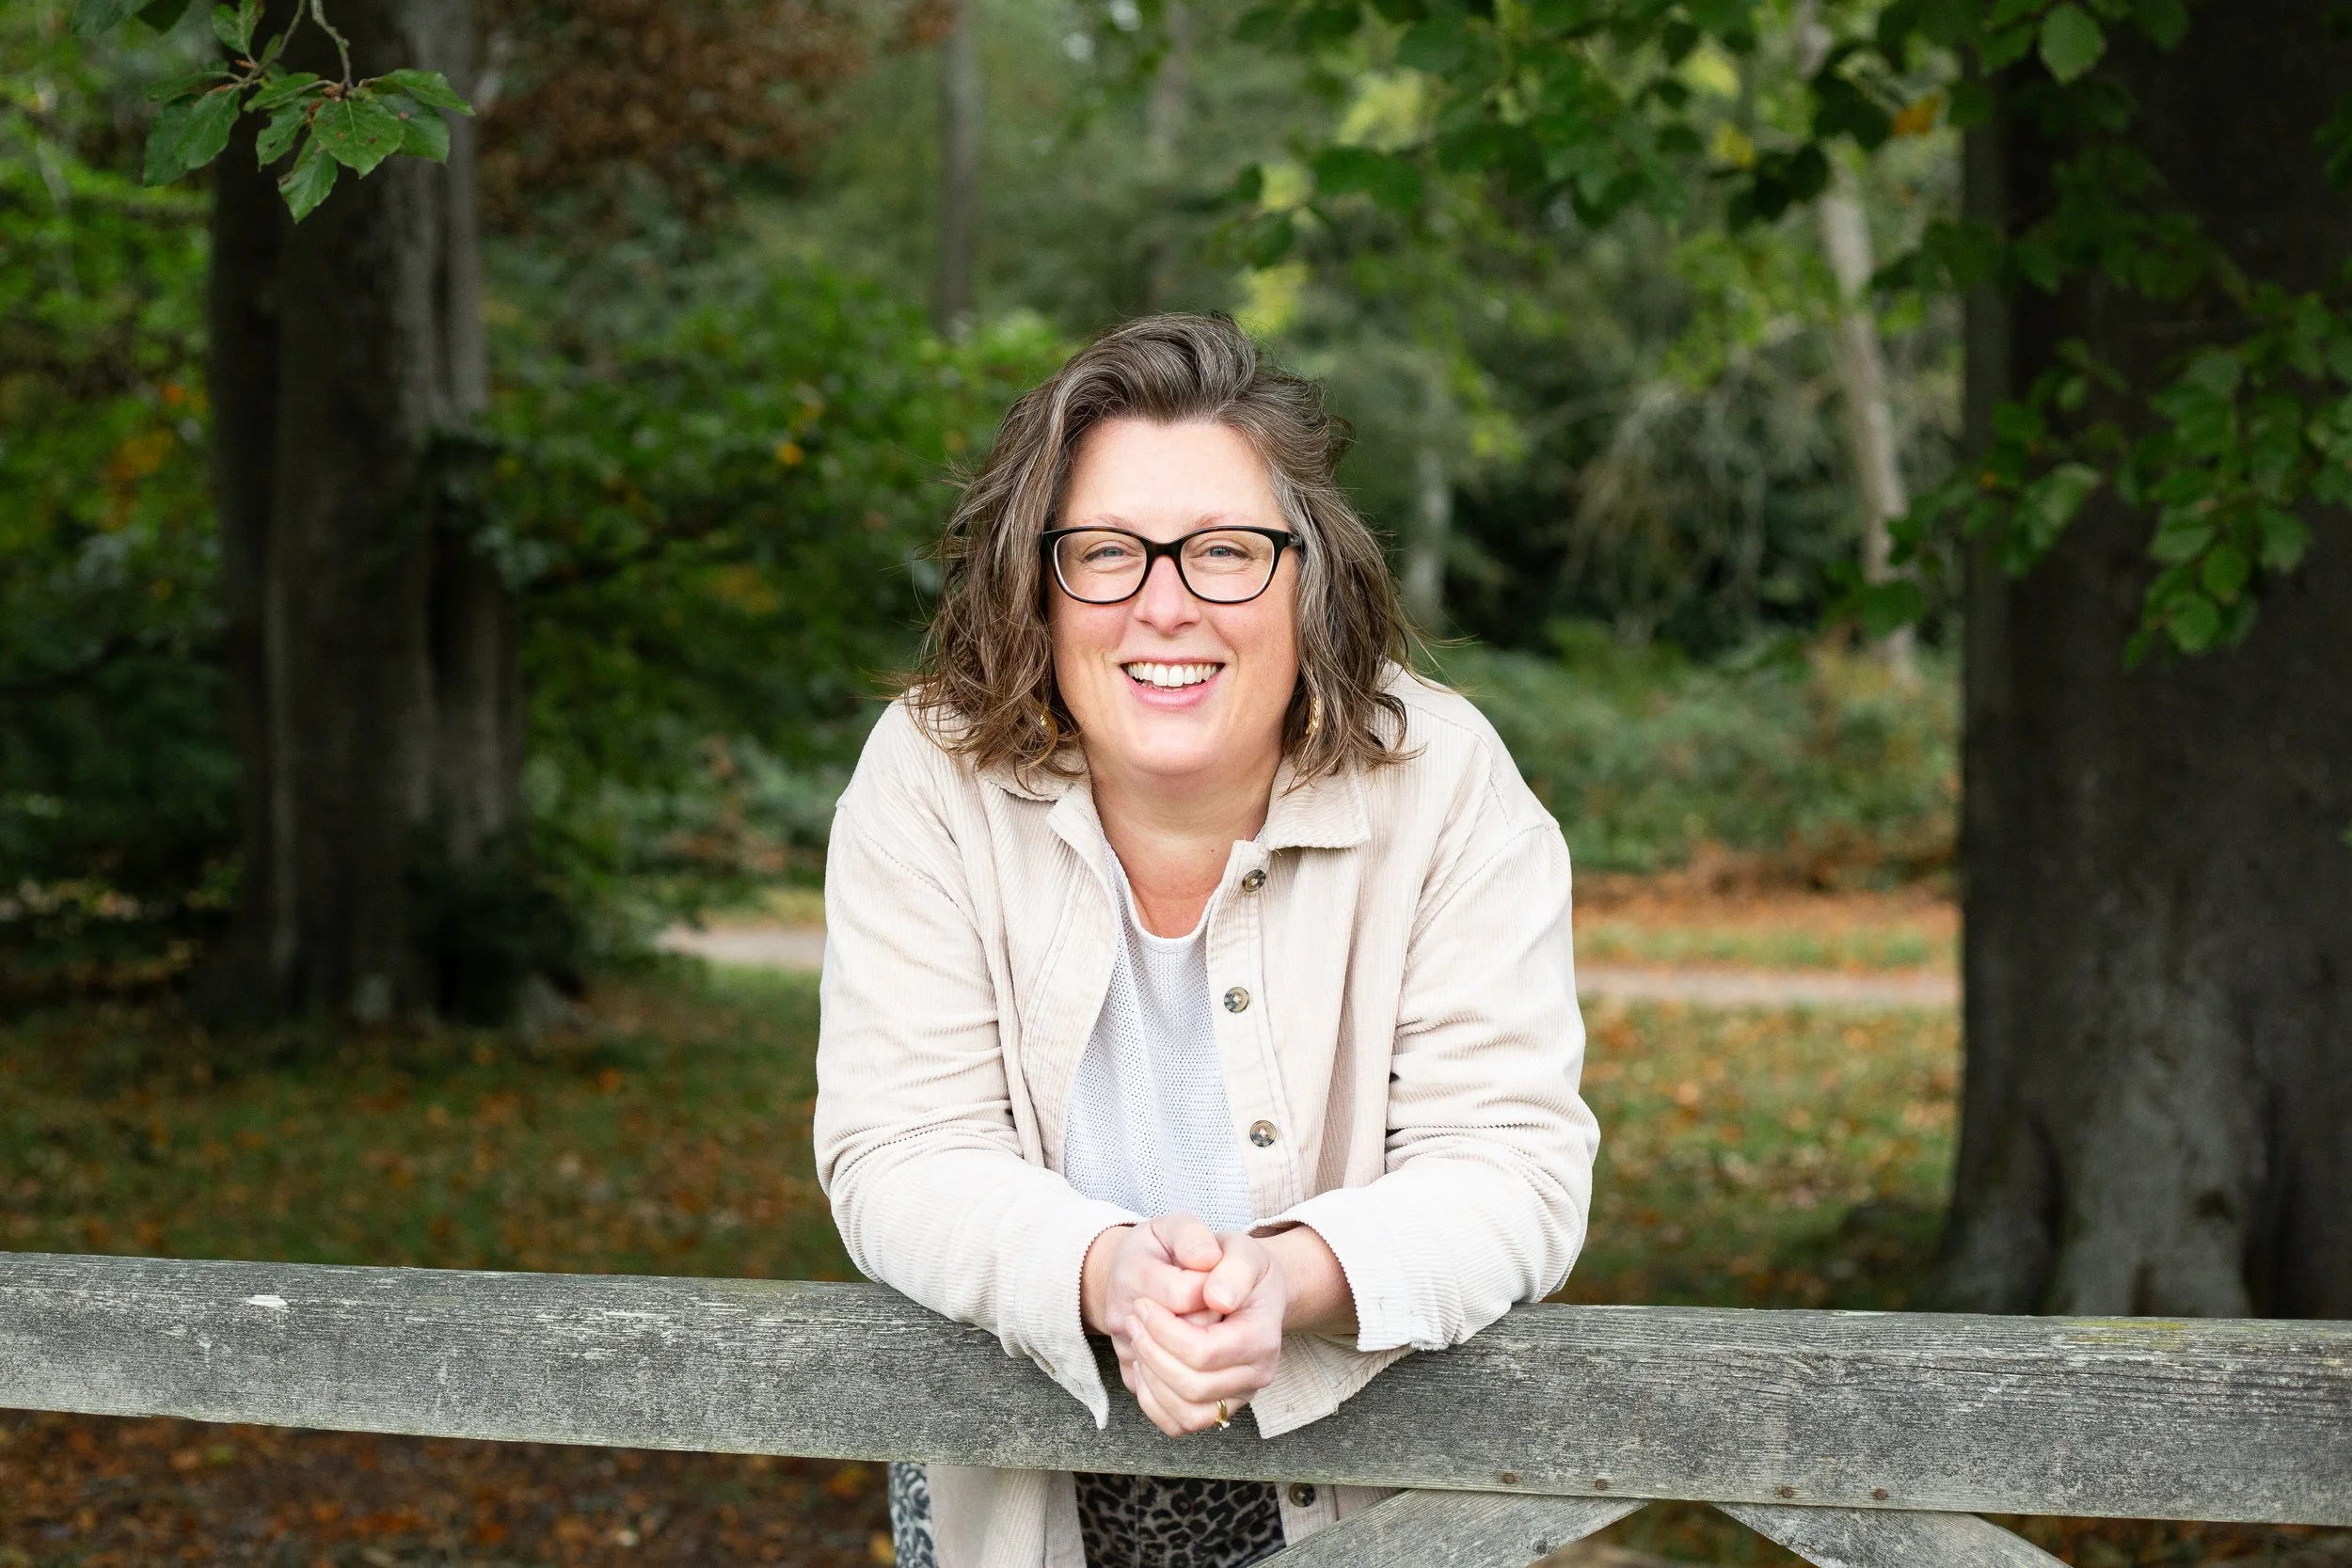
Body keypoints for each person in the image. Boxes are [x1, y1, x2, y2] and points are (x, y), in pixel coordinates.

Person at [814, 313, 1598, 1568]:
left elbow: (1515, 1167)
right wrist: (1107, 1271)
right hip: (1016, 1504)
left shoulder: (1446, 780)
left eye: (1225, 550)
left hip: (1369, 1500)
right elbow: (900, 1149)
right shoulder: (929, 775)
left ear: (1308, 575)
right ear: (1038, 579)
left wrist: (1286, 1282)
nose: (1164, 606)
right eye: (1107, 552)